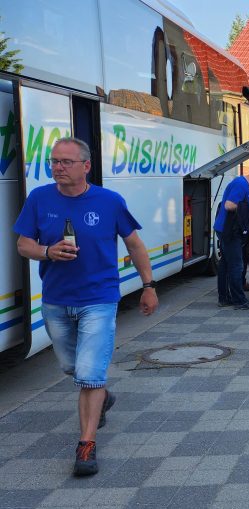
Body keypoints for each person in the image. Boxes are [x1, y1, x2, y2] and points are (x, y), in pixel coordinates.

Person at [14, 137, 159, 477]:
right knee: (73, 369)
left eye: (66, 162)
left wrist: (148, 286)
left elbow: (135, 245)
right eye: (54, 161)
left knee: (90, 374)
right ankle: (103, 397)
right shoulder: (39, 198)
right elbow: (23, 244)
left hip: (99, 299)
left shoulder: (109, 201)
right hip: (56, 301)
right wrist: (47, 252)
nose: (58, 167)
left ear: (86, 166)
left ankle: (86, 445)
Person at [215, 165, 249, 309]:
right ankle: (239, 300)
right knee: (236, 265)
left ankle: (224, 298)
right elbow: (229, 205)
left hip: (225, 228)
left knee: (225, 264)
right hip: (229, 231)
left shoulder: (241, 183)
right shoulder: (241, 184)